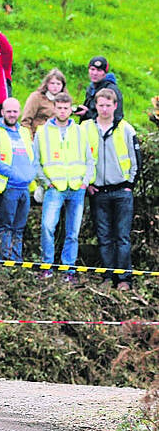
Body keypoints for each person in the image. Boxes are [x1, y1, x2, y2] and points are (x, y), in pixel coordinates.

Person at [32, 92, 95, 283]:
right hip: (54, 187)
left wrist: (85, 181)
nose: (62, 111)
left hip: (77, 187)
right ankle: (47, 267)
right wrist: (46, 182)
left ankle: (69, 271)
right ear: (54, 108)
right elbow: (35, 162)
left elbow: (90, 160)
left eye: (66, 108)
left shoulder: (79, 131)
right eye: (59, 107)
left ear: (71, 109)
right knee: (47, 227)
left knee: (73, 232)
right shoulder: (42, 132)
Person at [83, 88, 140, 290]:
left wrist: (129, 185)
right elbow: (81, 157)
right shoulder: (86, 128)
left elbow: (135, 159)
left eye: (108, 105)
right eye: (101, 105)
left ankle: (124, 279)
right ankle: (108, 276)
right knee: (104, 237)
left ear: (115, 106)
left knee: (122, 237)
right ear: (95, 106)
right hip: (98, 191)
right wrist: (88, 183)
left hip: (121, 191)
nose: (104, 109)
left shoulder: (126, 129)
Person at [0, 98, 35, 261]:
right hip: (8, 187)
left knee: (19, 228)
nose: (12, 115)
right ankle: (5, 261)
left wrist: (30, 174)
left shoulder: (25, 132)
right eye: (9, 111)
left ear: (19, 112)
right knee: (6, 226)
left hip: (24, 187)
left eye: (15, 111)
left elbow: (32, 157)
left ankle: (17, 261)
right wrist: (13, 173)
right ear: (2, 112)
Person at [21, 68, 70, 139]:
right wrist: (30, 140)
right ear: (46, 84)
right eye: (52, 83)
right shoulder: (36, 97)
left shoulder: (65, 100)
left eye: (58, 84)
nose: (55, 86)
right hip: (38, 137)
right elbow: (25, 121)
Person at [74, 56, 123, 123]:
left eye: (99, 70)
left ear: (105, 73)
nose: (95, 73)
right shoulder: (90, 88)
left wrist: (87, 114)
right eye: (92, 69)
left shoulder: (112, 90)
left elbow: (116, 116)